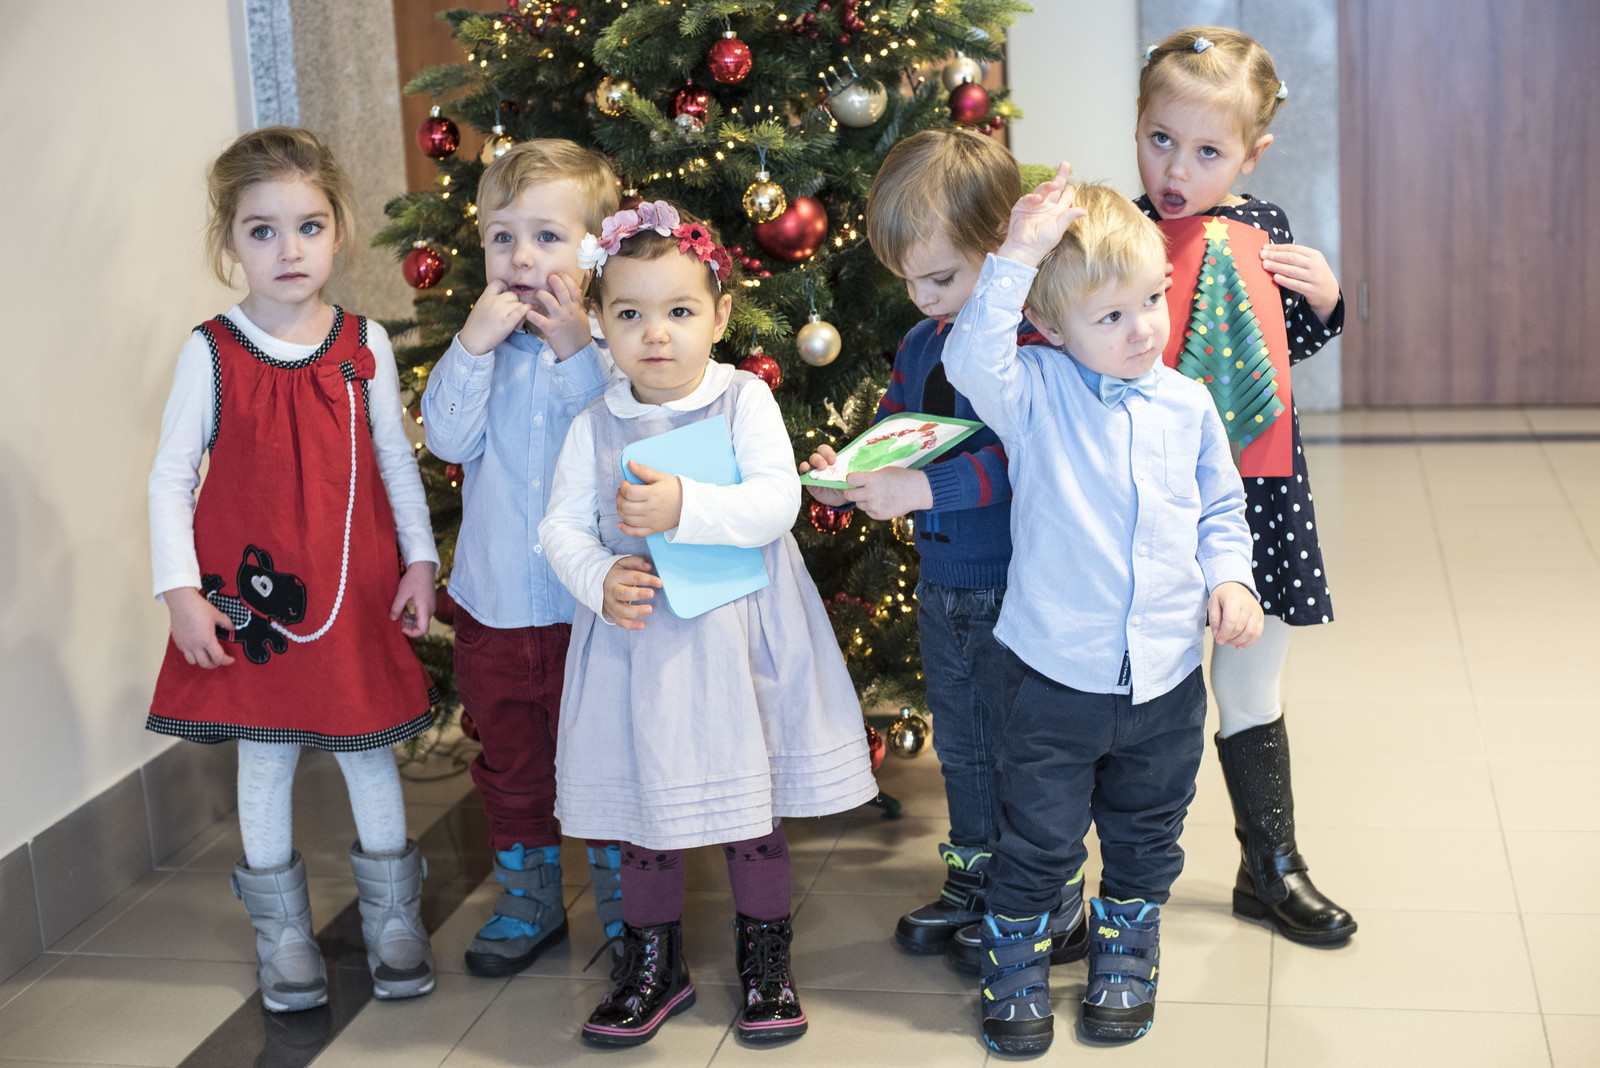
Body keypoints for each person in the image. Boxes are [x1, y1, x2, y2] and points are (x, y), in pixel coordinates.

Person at [540, 202, 877, 1047]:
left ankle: (766, 959)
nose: (656, 333)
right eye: (629, 313)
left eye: (680, 311)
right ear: (598, 321)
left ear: (720, 317)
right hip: (643, 649)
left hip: (740, 640)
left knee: (748, 808)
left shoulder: (742, 400)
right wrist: (598, 577)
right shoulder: (593, 425)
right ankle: (654, 964)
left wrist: (685, 505)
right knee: (647, 810)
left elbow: (776, 501)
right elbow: (561, 529)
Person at [943, 175, 1264, 1052]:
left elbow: (1219, 510)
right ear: (1052, 328)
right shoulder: (1033, 391)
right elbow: (970, 359)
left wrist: (1230, 581)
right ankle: (1017, 952)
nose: (1143, 330)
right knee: (1040, 836)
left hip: (1166, 678)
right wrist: (1019, 252)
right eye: (1111, 316)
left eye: (1152, 300)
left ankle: (1127, 944)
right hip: (1056, 675)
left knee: (1148, 829)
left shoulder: (1187, 404)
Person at [147, 126, 439, 1011]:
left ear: (339, 230)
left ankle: (394, 919)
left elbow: (394, 461)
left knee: (368, 751)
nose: (289, 250)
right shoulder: (211, 351)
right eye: (262, 230)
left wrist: (420, 560)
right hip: (254, 606)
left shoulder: (363, 343)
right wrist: (180, 592)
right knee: (266, 757)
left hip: (352, 593)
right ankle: (281, 937)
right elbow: (170, 477)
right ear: (230, 242)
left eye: (309, 226)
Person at [801, 129, 1085, 972]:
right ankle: (975, 879)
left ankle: (1049, 895)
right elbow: (900, 429)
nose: (923, 299)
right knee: (960, 744)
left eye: (942, 279)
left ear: (1001, 246)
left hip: (1015, 587)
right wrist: (851, 470)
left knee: (1023, 750)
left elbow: (1024, 459)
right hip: (943, 585)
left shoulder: (1031, 344)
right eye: (908, 281)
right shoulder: (923, 343)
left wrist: (924, 491)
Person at [1136, 25, 1355, 944]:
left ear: (1252, 155)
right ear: (1138, 123)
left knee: (1254, 674)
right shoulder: (1117, 233)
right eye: (1160, 139)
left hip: (1258, 493)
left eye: (1207, 152)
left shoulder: (1265, 228)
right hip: (1143, 495)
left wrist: (1327, 301)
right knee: (1136, 684)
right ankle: (1094, 879)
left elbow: (1280, 350)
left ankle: (1272, 867)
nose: (1175, 169)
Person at [420, 140, 628, 976]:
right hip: (498, 607)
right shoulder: (480, 352)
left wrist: (578, 347)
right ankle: (530, 899)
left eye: (547, 236)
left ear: (595, 251)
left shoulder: (612, 349)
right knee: (511, 761)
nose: (521, 257)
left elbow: (617, 448)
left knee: (606, 757)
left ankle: (629, 910)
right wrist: (471, 347)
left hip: (590, 612)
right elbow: (447, 439)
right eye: (501, 237)